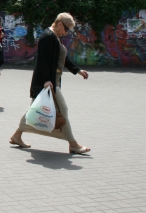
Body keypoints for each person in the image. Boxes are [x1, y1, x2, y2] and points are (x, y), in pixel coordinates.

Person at [10, 13, 91, 154]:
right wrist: (47, 80)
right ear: (60, 24)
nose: (67, 33)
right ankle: (73, 144)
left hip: (51, 82)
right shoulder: (48, 37)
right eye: (66, 29)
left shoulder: (54, 37)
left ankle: (17, 135)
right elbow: (43, 61)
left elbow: (62, 58)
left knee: (35, 111)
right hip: (46, 83)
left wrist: (77, 70)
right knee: (62, 110)